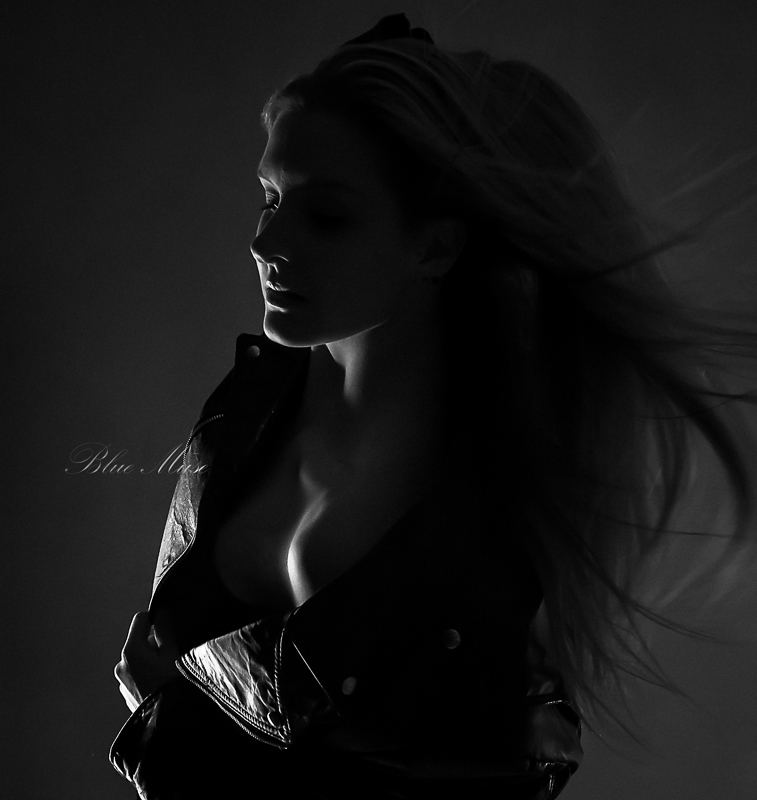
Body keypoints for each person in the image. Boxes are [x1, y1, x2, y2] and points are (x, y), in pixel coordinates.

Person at [110, 13, 757, 799]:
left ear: (435, 246)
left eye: (326, 216)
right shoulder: (244, 407)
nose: (265, 242)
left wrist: (172, 732)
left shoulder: (493, 501)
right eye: (268, 197)